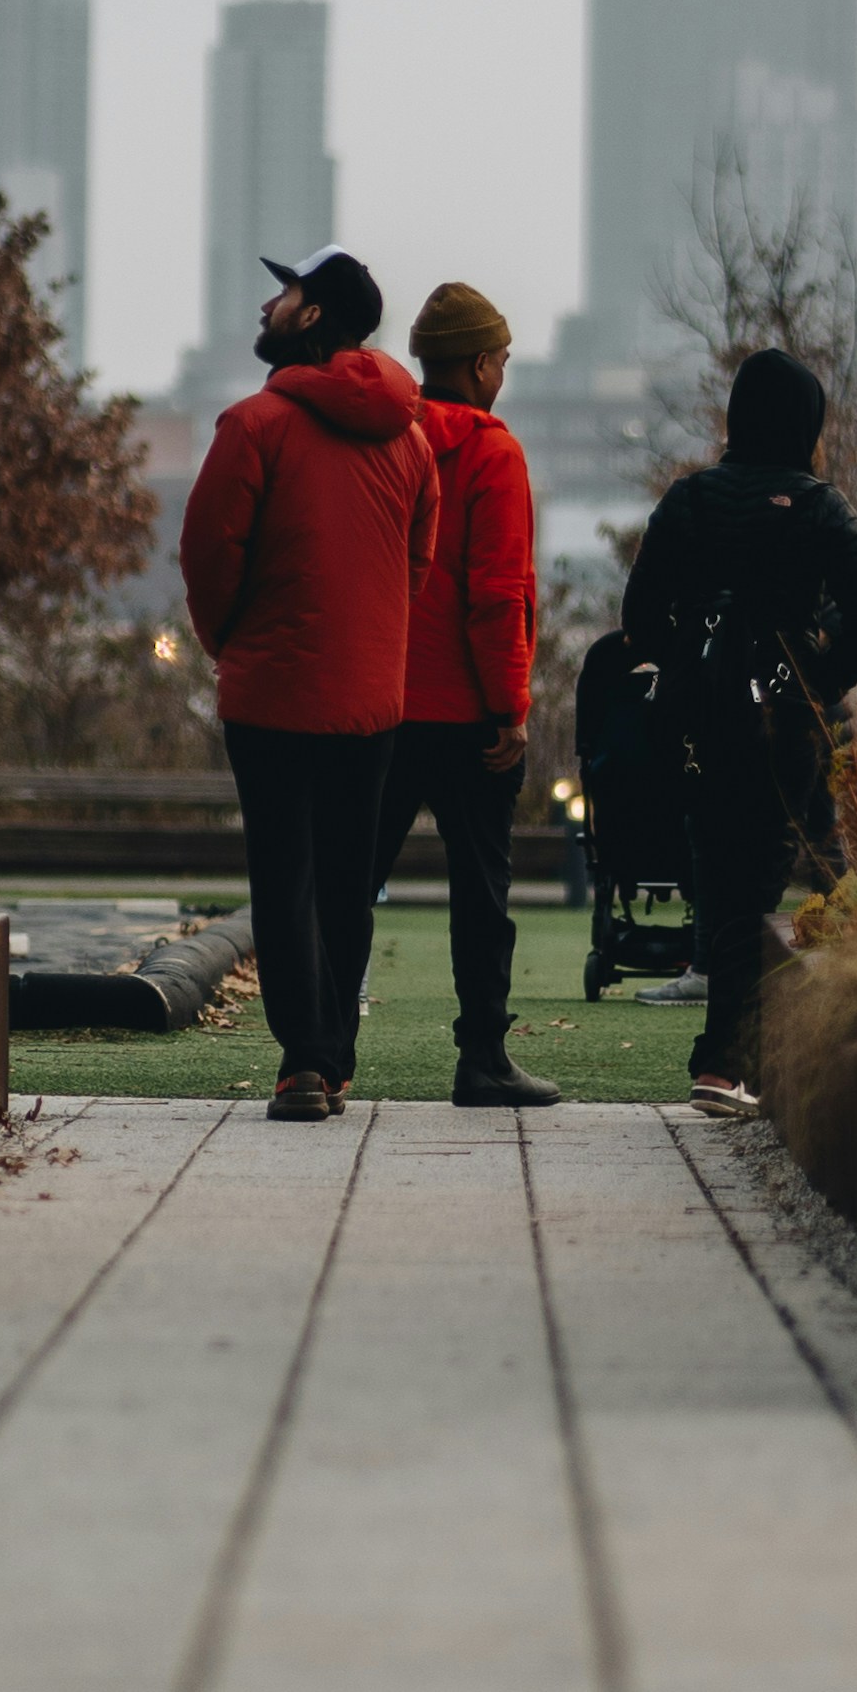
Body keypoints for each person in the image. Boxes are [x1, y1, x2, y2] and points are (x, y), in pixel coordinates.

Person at [179, 246, 439, 1124]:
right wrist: (374, 641)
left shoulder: (253, 425)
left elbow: (207, 553)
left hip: (273, 693)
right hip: (370, 697)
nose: (268, 306)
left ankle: (303, 1064)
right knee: (345, 880)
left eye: (284, 293)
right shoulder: (411, 440)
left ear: (315, 314)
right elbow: (416, 565)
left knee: (283, 877)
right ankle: (331, 1055)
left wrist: (228, 642)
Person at [621, 350, 857, 1114]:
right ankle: (725, 1065)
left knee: (720, 873)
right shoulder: (818, 505)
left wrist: (688, 661)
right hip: (782, 716)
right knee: (762, 877)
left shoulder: (689, 499)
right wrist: (815, 682)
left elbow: (639, 614)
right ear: (806, 422)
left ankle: (723, 1060)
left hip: (698, 715)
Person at [371, 280, 558, 1109]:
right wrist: (510, 707)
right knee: (480, 893)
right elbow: (496, 594)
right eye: (503, 359)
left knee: (349, 883)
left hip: (379, 701)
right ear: (480, 364)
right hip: (468, 714)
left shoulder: (384, 439)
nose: (503, 373)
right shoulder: (492, 452)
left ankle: (319, 1056)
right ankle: (482, 1058)